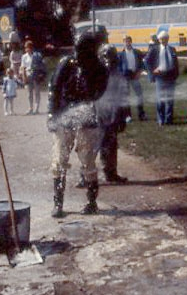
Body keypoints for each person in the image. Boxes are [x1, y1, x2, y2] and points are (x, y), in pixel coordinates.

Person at [47, 31, 109, 217]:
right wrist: (52, 115)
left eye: (83, 50)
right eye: (78, 50)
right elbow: (54, 88)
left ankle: (91, 202)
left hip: (86, 117)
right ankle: (58, 203)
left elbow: (98, 92)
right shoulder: (67, 63)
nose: (79, 54)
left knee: (88, 160)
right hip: (64, 117)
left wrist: (86, 101)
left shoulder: (99, 68)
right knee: (59, 160)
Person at [95, 45, 129, 184]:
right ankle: (85, 175)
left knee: (111, 145)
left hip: (113, 116)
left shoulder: (119, 76)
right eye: (106, 57)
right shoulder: (95, 75)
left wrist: (124, 116)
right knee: (92, 146)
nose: (109, 61)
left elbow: (124, 97)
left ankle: (110, 173)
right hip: (98, 115)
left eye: (111, 57)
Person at [144, 30, 179, 126]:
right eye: (162, 39)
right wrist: (152, 71)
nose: (164, 40)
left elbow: (176, 63)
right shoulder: (154, 49)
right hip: (160, 77)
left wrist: (176, 75)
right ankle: (161, 120)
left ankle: (169, 119)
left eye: (166, 38)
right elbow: (146, 61)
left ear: (168, 39)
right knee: (160, 100)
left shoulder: (172, 49)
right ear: (159, 40)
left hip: (170, 77)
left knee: (170, 100)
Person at [118, 36, 146, 121]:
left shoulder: (137, 52)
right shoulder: (121, 54)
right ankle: (127, 116)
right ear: (123, 43)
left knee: (139, 95)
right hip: (125, 76)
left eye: (129, 41)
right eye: (125, 41)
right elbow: (118, 67)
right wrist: (121, 75)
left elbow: (142, 64)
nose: (127, 43)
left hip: (135, 75)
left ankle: (141, 114)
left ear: (131, 42)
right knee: (126, 96)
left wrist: (139, 72)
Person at [20, 40, 46, 114]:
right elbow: (23, 67)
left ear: (31, 48)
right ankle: (30, 108)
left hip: (36, 74)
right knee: (29, 93)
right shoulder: (24, 57)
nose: (27, 49)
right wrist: (24, 76)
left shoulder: (37, 55)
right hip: (28, 74)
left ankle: (36, 108)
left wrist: (41, 74)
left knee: (37, 92)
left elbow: (41, 65)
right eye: (26, 48)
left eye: (29, 47)